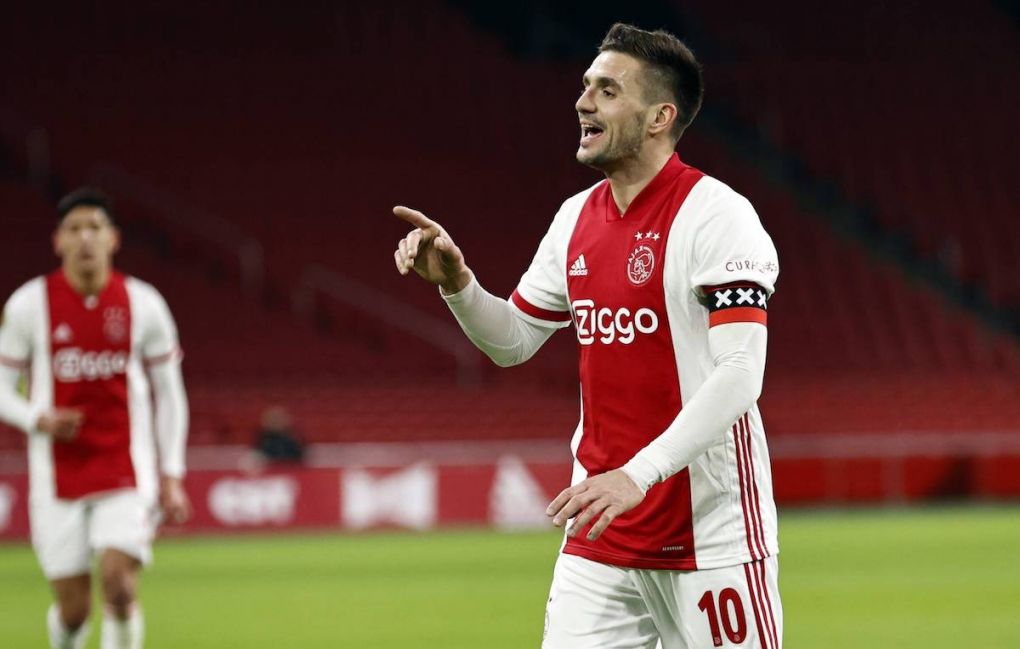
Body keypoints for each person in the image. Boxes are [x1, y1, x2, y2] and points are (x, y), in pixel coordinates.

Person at [393, 23, 782, 649]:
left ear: (659, 116)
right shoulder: (574, 218)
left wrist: (640, 473)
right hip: (601, 530)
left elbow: (739, 373)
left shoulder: (719, 216)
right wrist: (459, 285)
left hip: (709, 534)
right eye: (585, 87)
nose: (583, 102)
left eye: (606, 90)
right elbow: (514, 339)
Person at [0, 188, 190, 649]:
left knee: (120, 585)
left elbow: (170, 393)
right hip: (56, 475)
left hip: (126, 466)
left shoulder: (144, 304)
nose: (85, 238)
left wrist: (171, 474)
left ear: (113, 239)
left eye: (94, 228)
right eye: (74, 229)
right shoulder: (28, 305)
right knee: (74, 609)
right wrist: (37, 418)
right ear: (58, 241)